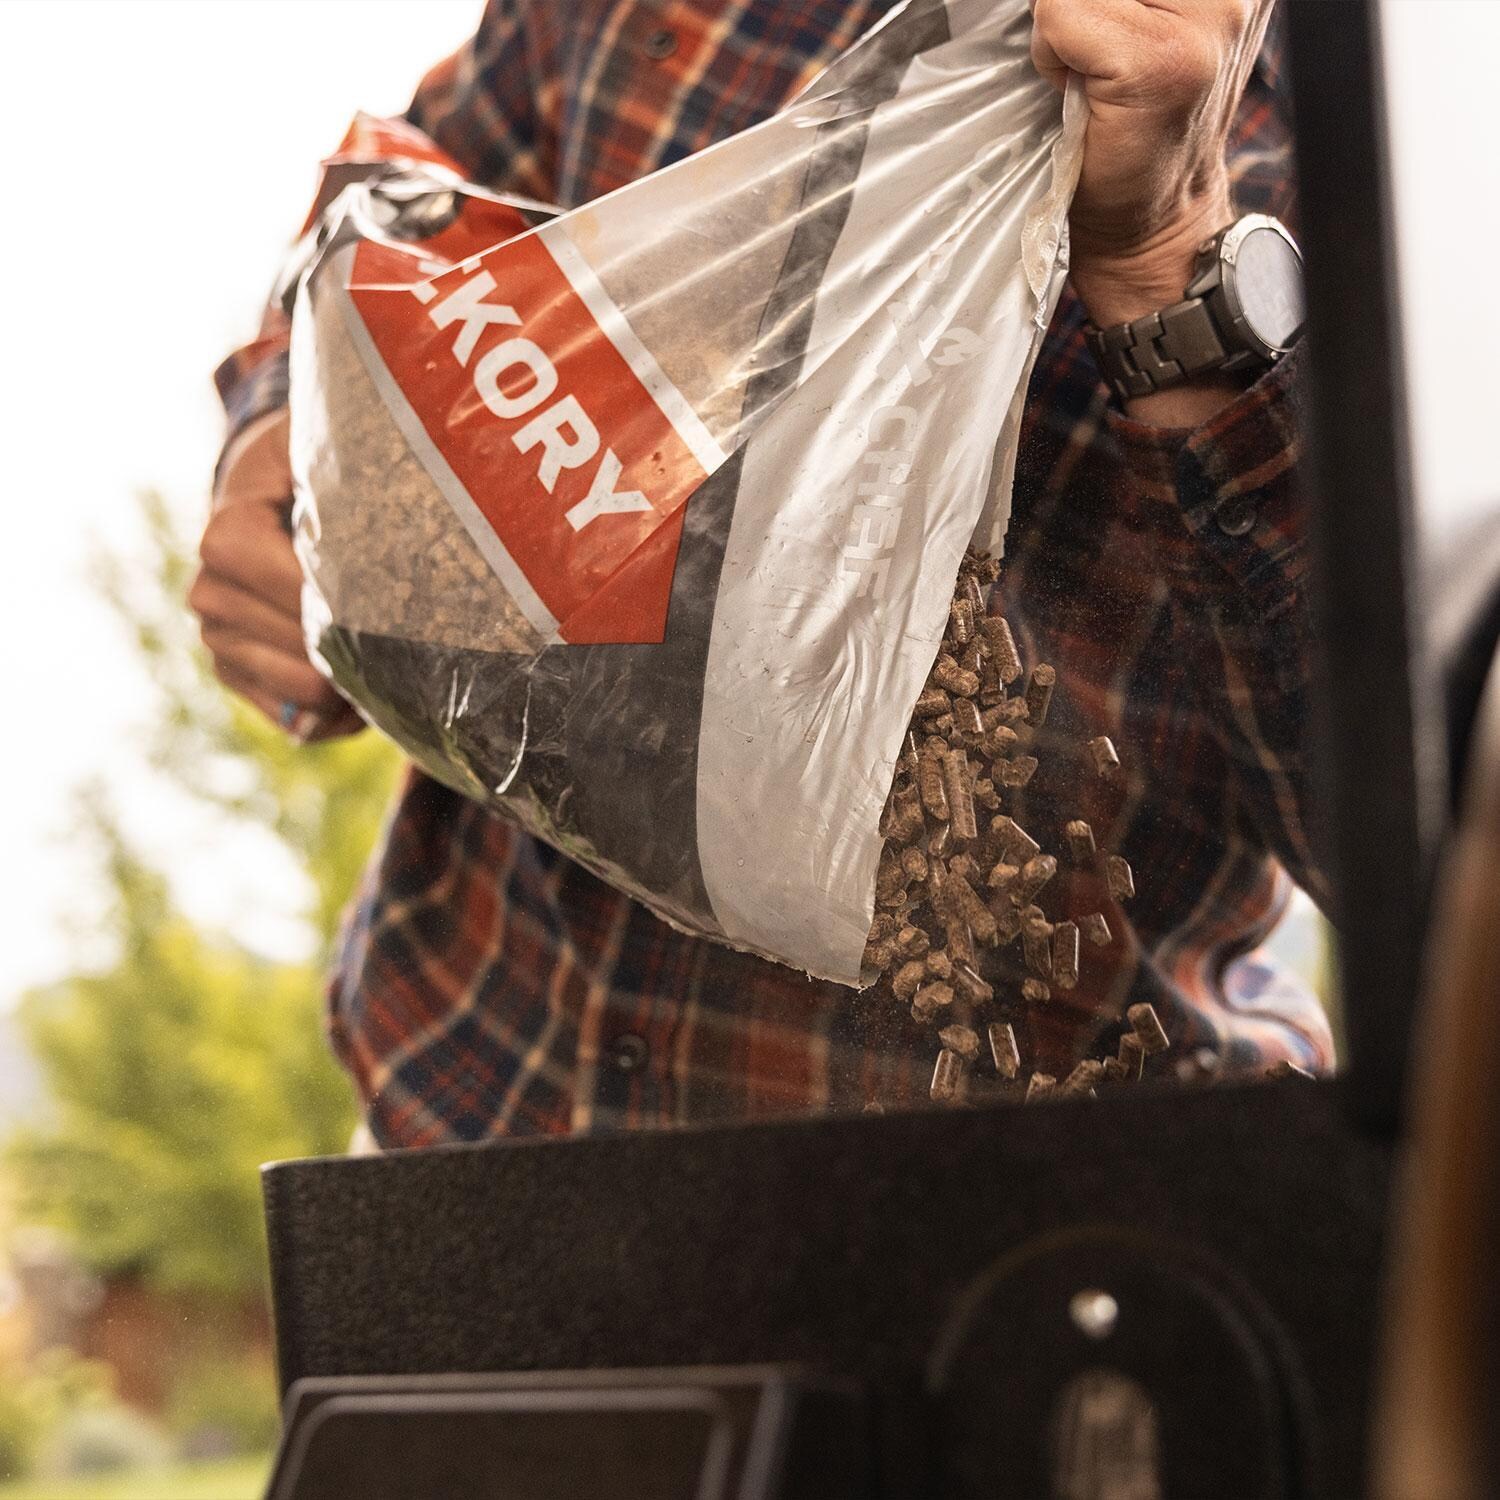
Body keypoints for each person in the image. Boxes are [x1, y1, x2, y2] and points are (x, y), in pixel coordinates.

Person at [194, 0, 1333, 1147]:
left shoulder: (1388, 151)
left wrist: (1166, 252)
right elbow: (403, 213)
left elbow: (1411, 874)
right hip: (469, 1120)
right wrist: (281, 454)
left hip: (1030, 1227)